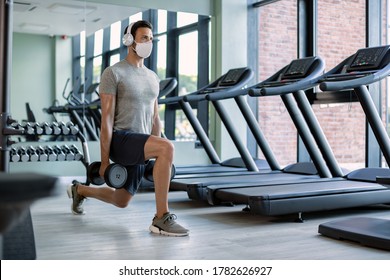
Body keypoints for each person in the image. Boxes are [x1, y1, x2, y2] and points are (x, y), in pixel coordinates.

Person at [67, 20, 189, 237]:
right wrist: (105, 162)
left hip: (140, 143)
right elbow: (106, 120)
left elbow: (154, 118)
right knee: (167, 148)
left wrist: (154, 149)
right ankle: (161, 218)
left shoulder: (153, 77)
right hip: (121, 139)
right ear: (129, 40)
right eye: (144, 38)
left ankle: (79, 190)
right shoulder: (113, 73)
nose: (148, 43)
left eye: (151, 39)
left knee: (121, 200)